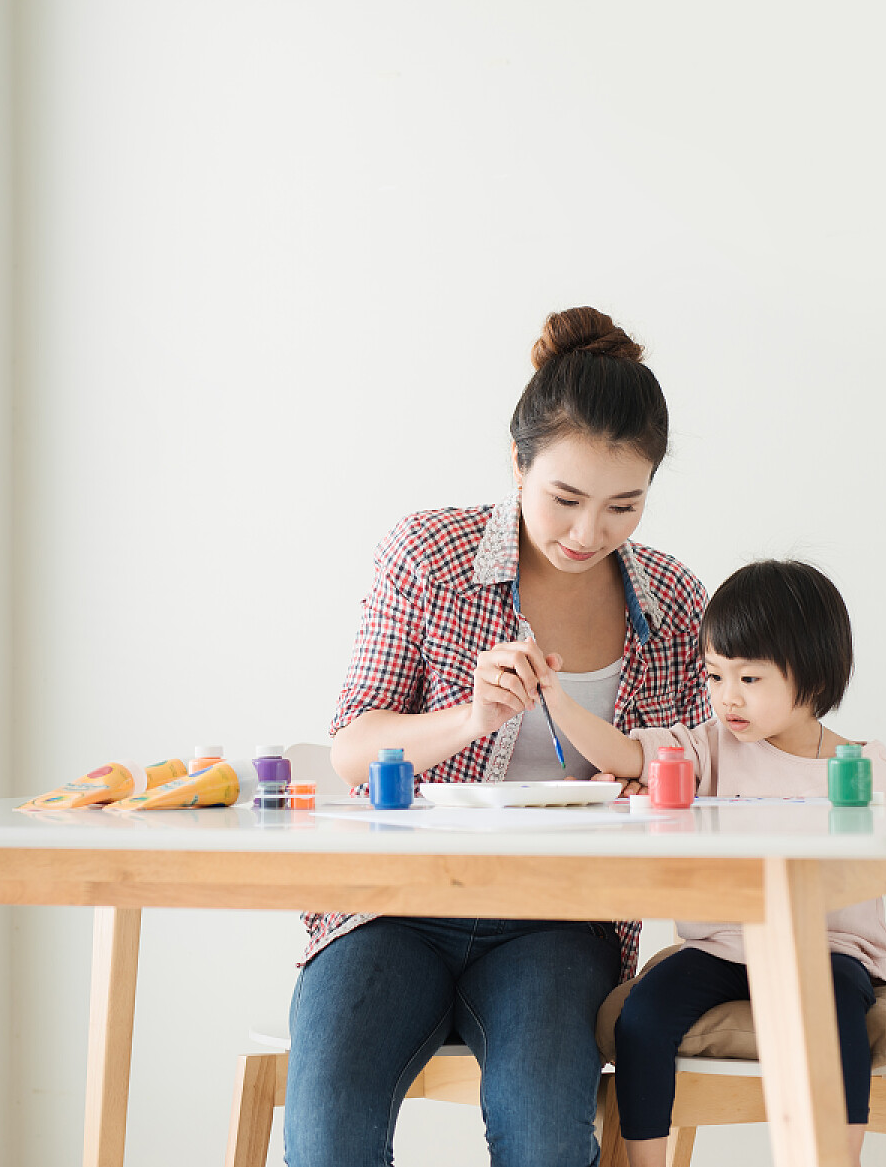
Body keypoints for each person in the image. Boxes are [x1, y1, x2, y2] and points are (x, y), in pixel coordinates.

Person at [284, 307, 711, 1167]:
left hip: (557, 920)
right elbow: (353, 748)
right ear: (516, 464)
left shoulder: (671, 604)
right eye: (564, 498)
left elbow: (686, 779)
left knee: (550, 1139)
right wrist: (469, 718)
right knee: (328, 1137)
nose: (589, 533)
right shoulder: (428, 555)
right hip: (390, 905)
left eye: (623, 504)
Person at [544, 559, 886, 1167]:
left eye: (749, 679)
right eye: (715, 677)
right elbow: (627, 752)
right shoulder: (706, 747)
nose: (726, 698)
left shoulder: (864, 769)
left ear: (815, 679)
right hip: (719, 947)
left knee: (834, 1017)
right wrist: (556, 701)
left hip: (829, 949)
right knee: (641, 1020)